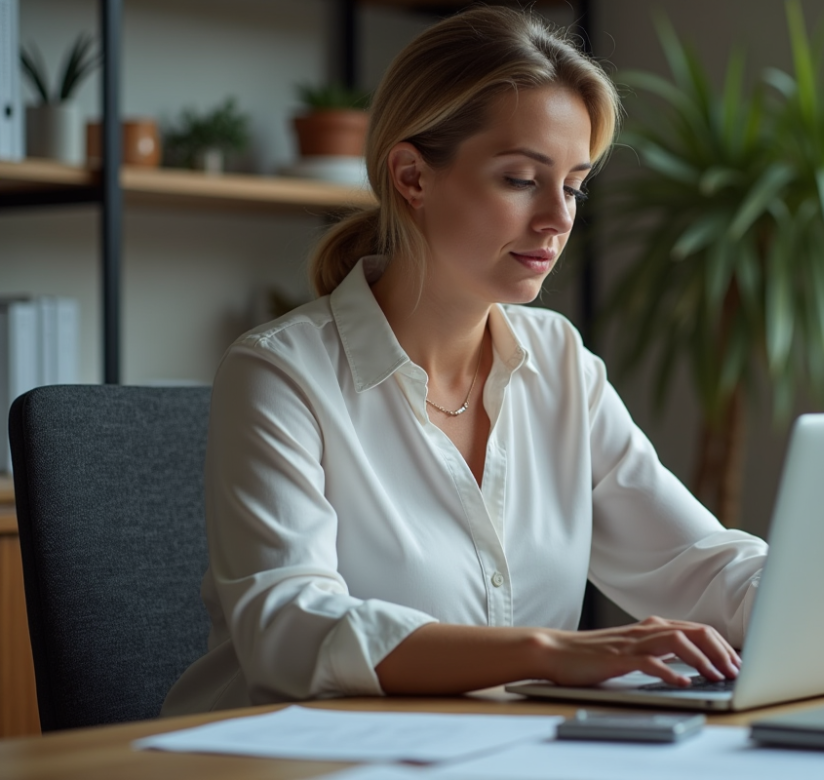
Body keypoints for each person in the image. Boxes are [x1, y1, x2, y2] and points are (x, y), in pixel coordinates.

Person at [162, 6, 768, 716]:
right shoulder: (280, 374)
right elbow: (290, 629)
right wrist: (547, 653)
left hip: (500, 753)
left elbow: (697, 565)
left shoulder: (560, 363)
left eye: (572, 185)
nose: (558, 218)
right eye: (520, 179)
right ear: (412, 177)